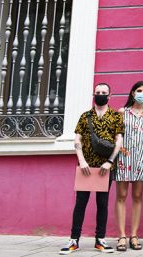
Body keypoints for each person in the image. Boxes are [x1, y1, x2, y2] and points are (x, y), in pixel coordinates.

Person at [60, 83, 123, 255]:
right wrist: (81, 161)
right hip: (85, 168)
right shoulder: (85, 116)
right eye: (98, 92)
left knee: (102, 204)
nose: (101, 94)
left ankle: (100, 240)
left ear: (110, 96)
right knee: (80, 203)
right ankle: (74, 240)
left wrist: (110, 162)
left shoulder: (116, 117)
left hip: (105, 168)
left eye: (104, 92)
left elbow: (119, 141)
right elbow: (77, 140)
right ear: (93, 94)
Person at [114, 81, 143, 252]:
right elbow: (116, 135)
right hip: (124, 159)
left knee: (138, 196)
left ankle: (134, 235)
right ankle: (121, 236)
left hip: (142, 159)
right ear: (132, 93)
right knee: (121, 195)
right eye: (139, 90)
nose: (142, 93)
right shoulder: (121, 112)